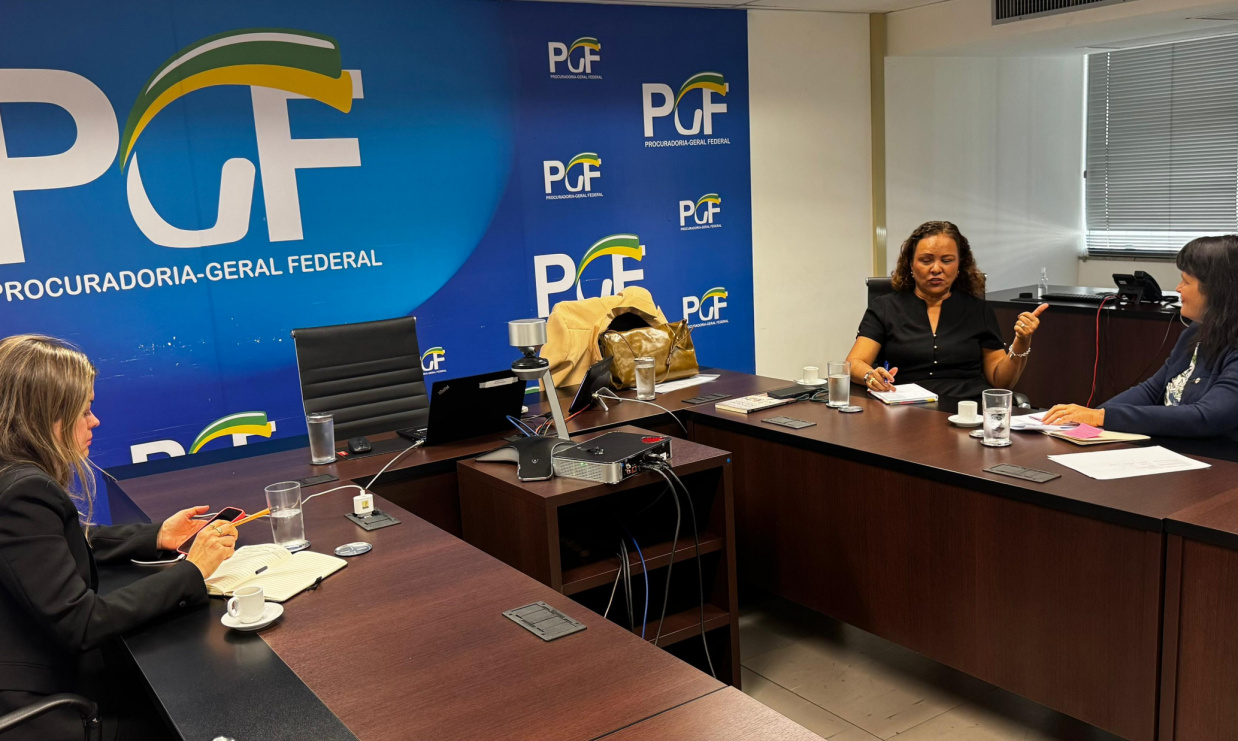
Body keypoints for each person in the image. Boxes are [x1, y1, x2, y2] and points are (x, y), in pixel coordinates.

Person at [0, 335, 237, 741]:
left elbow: (59, 542)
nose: (94, 421)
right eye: (84, 410)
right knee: (200, 709)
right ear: (45, 417)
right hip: (38, 711)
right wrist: (192, 572)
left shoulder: (11, 476)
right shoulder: (23, 492)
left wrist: (157, 535)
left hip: (43, 679)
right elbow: (83, 622)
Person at [1043, 236, 1238, 438]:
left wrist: (1104, 417)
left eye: (1186, 281)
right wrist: (1092, 417)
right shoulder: (1196, 331)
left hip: (1213, 455)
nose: (1178, 288)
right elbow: (1152, 391)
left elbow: (1207, 417)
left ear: (1217, 289)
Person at [847, 221, 1048, 399]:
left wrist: (1021, 341)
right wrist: (869, 375)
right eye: (926, 260)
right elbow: (855, 362)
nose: (936, 269)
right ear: (911, 265)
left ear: (959, 265)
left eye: (947, 260)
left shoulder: (978, 310)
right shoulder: (884, 307)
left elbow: (1000, 381)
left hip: (969, 409)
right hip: (905, 408)